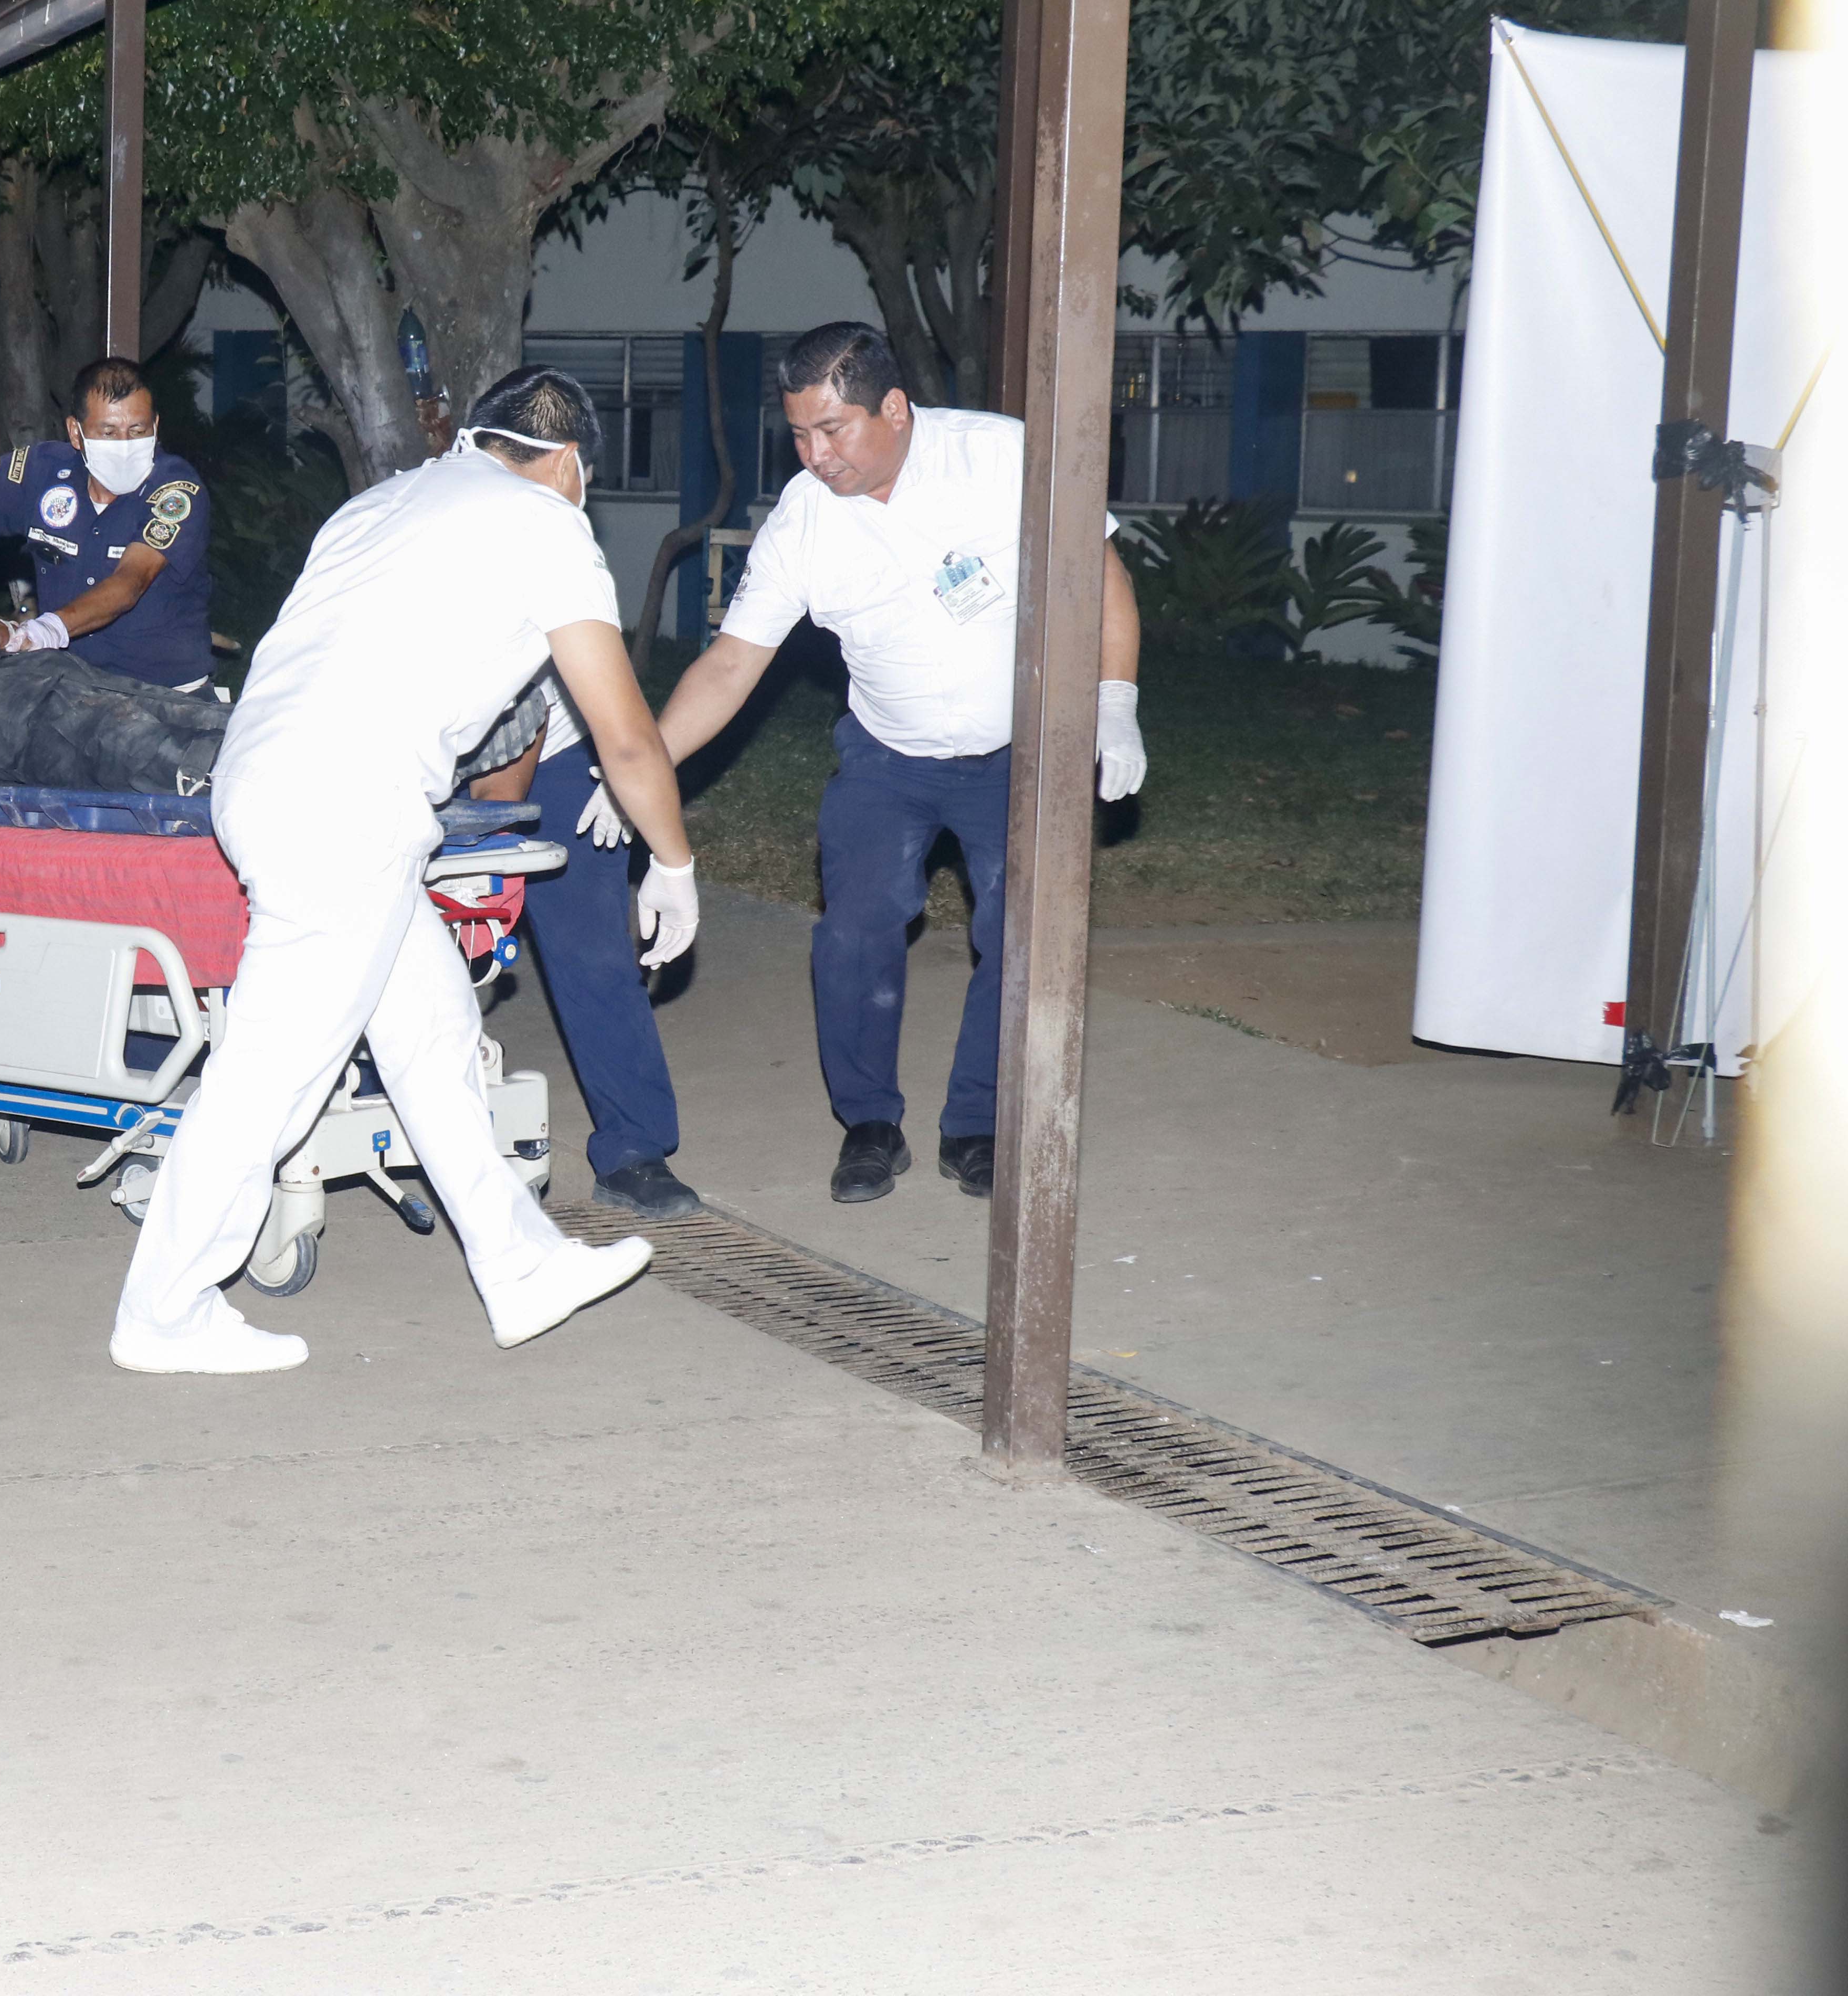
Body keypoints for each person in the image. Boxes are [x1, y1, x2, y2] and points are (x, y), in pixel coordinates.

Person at [110, 366, 696, 1376]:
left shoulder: (381, 503)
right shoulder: (545, 524)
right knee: (271, 1072)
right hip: (345, 807)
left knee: (432, 1033)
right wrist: (674, 864)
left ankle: (519, 1265)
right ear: (569, 462)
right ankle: (164, 1311)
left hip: (266, 782)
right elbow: (627, 737)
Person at [653, 321, 1148, 1206]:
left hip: (1019, 753)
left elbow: (1103, 577)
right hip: (887, 755)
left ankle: (978, 1125)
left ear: (893, 408)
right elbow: (730, 666)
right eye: (798, 435)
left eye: (831, 430)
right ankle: (870, 1125)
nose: (815, 456)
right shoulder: (804, 520)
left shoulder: (1001, 460)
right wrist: (642, 768)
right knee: (853, 931)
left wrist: (1114, 703)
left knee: (1023, 937)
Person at [467, 678, 700, 1221]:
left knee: (590, 944)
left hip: (544, 744)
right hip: (401, 755)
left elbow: (499, 794)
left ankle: (634, 1145)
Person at [0, 357, 217, 690]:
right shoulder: (43, 471)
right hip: (71, 688)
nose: (125, 446)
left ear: (156, 427)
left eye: (138, 430)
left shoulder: (175, 491)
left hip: (166, 695)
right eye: (109, 432)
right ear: (76, 433)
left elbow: (130, 582)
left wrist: (44, 630)